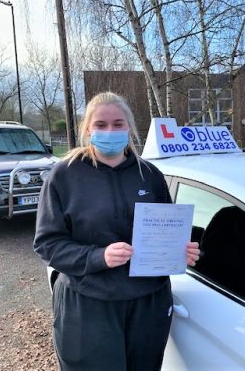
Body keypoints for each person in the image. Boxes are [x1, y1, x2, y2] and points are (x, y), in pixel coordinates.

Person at [33, 91, 200, 371]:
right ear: (88, 129)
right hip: (88, 305)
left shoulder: (150, 175)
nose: (110, 131)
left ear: (130, 128)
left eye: (118, 124)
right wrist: (99, 257)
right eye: (101, 125)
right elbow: (47, 244)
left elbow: (166, 228)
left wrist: (180, 250)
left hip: (148, 303)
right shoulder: (64, 176)